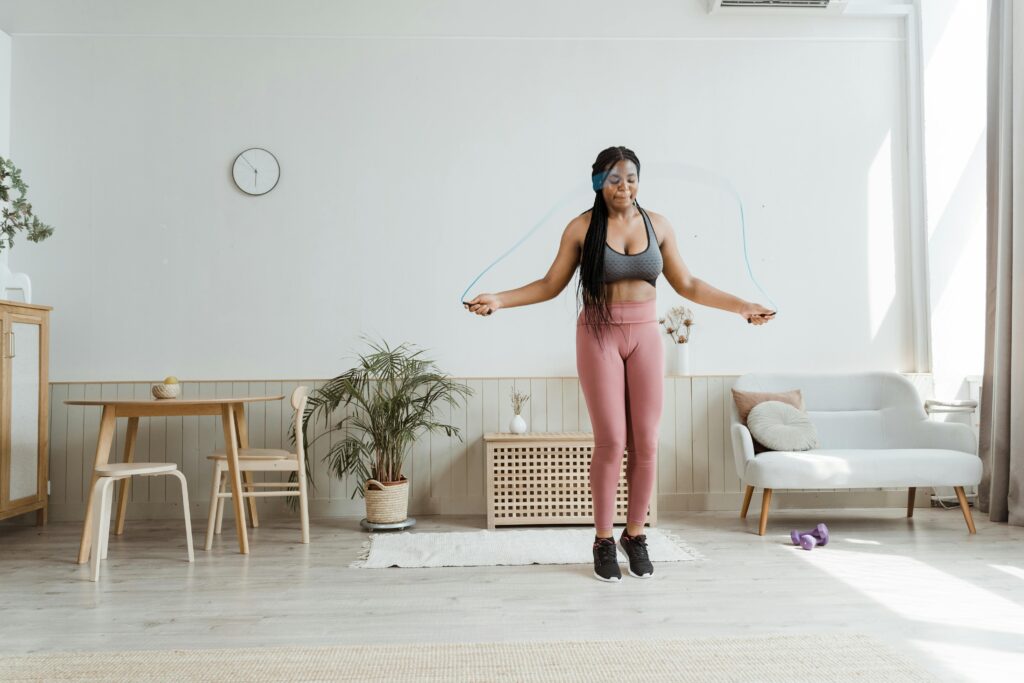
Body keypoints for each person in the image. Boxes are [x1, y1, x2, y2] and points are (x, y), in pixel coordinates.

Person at [465, 146, 774, 582]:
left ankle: (636, 535)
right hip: (598, 334)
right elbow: (551, 284)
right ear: (597, 183)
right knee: (612, 440)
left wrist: (742, 306)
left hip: (645, 335)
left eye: (631, 178)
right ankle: (604, 539)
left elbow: (688, 283)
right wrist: (499, 300)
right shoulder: (581, 228)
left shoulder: (659, 225)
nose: (624, 186)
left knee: (646, 441)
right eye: (614, 179)